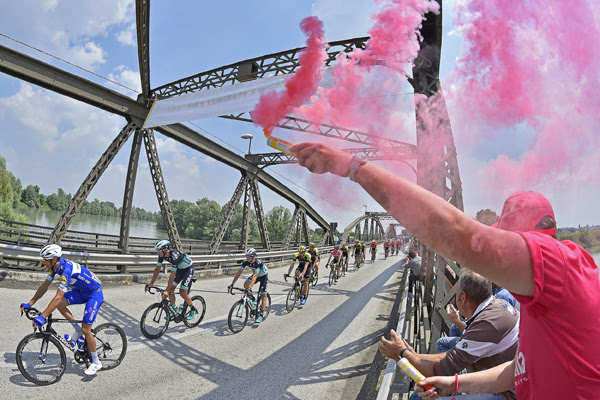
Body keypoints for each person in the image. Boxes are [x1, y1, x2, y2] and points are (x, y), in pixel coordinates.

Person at [291, 142, 600, 399]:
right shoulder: (538, 303)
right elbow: (519, 370)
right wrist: (453, 383)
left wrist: (354, 168)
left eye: (505, 238)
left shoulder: (560, 265)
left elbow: (453, 233)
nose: (496, 255)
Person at [379, 268, 519, 400]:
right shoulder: (496, 306)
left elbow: (439, 370)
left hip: (504, 393)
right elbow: (449, 357)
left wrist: (402, 353)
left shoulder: (487, 325)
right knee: (424, 391)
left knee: (423, 395)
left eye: (456, 293)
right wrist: (412, 355)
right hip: (499, 378)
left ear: (462, 297)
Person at [20, 244, 104, 375]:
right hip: (81, 291)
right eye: (43, 260)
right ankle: (78, 331)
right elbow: (44, 287)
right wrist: (30, 303)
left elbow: (58, 297)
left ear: (54, 260)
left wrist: (43, 316)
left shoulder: (66, 270)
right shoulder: (54, 268)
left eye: (45, 260)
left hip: (94, 293)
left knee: (86, 329)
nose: (44, 263)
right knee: (61, 306)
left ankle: (96, 362)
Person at [146, 239, 197, 321]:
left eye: (159, 251)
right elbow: (157, 269)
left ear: (165, 250)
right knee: (171, 290)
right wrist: (151, 283)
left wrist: (166, 290)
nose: (158, 253)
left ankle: (193, 309)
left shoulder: (174, 256)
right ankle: (174, 310)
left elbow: (172, 275)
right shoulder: (162, 255)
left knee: (182, 292)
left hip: (188, 269)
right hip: (180, 270)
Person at [228, 248, 269, 323]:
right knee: (245, 284)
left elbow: (255, 276)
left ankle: (261, 314)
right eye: (246, 255)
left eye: (249, 256)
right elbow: (239, 273)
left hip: (263, 276)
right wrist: (232, 284)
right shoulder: (245, 262)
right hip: (256, 275)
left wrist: (250, 288)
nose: (247, 257)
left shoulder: (258, 262)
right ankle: (253, 299)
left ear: (254, 256)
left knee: (263, 294)